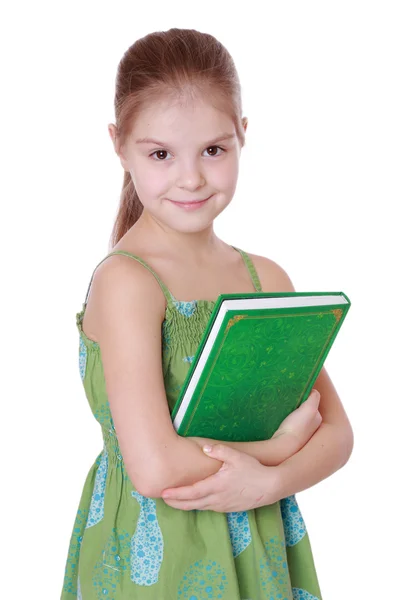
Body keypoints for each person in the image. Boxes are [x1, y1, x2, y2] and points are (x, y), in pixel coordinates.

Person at [61, 27, 353, 600]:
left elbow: (337, 434)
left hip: (260, 539)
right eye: (161, 154)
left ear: (243, 134)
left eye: (213, 150)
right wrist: (271, 456)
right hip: (158, 553)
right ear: (119, 145)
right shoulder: (128, 282)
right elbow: (153, 466)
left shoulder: (265, 280)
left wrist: (267, 485)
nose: (191, 177)